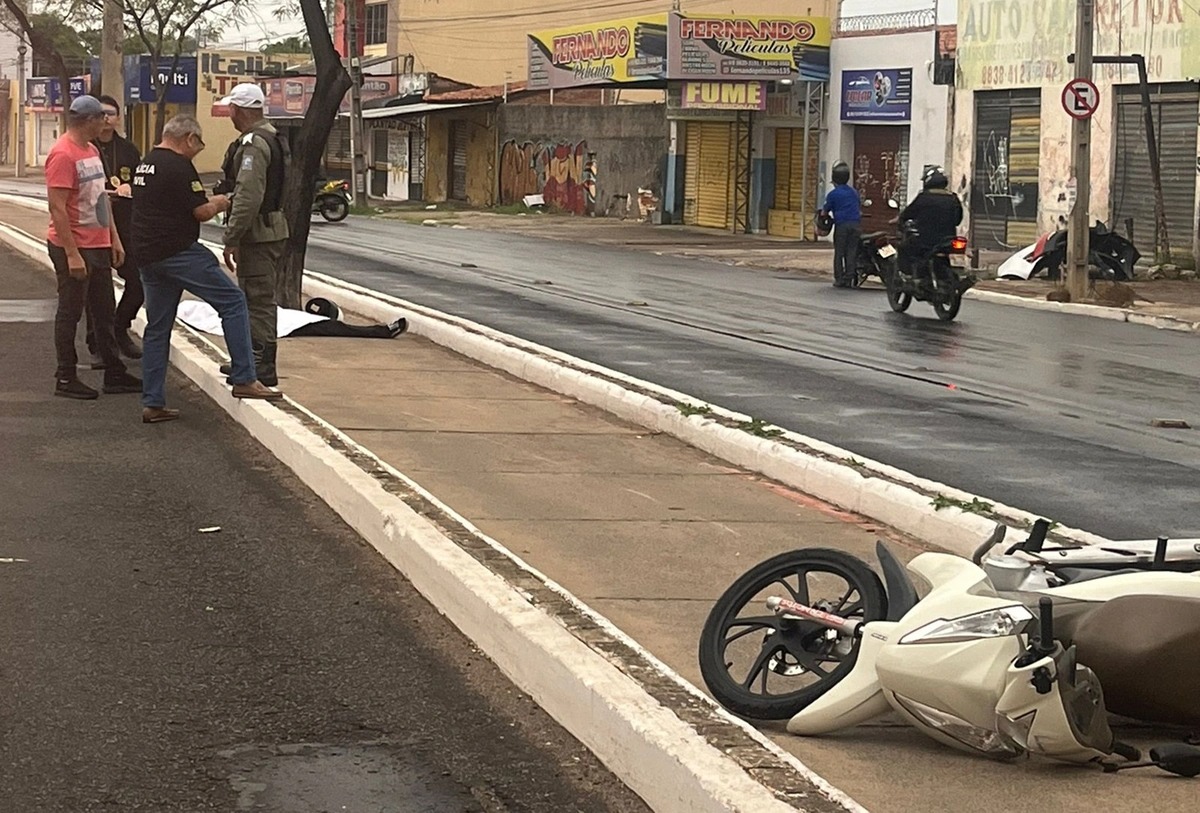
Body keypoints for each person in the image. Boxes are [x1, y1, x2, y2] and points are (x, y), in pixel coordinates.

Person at [130, 114, 284, 424]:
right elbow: (200, 212)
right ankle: (244, 377)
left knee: (158, 327)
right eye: (198, 146)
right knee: (233, 301)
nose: (197, 152)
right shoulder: (179, 165)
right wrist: (223, 202)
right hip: (178, 252)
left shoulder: (146, 164)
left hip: (147, 255)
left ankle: (153, 401)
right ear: (188, 138)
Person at [46, 94, 141, 400]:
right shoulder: (63, 154)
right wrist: (72, 254)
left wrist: (113, 237)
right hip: (73, 246)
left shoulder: (91, 150)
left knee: (104, 311)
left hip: (98, 243)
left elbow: (102, 199)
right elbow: (57, 208)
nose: (106, 121)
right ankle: (66, 376)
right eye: (101, 117)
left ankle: (114, 372)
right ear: (87, 121)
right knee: (71, 312)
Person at [216, 82, 290, 387]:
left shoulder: (253, 144)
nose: (230, 115)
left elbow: (248, 195)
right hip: (269, 230)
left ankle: (260, 364)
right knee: (254, 298)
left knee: (257, 300)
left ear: (239, 110)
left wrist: (232, 236)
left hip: (258, 234)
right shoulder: (271, 136)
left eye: (231, 109)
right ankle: (249, 360)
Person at [85, 94, 144, 365]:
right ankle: (97, 341)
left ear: (118, 116)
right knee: (96, 288)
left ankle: (120, 329)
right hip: (94, 224)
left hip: (126, 223)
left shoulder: (129, 150)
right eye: (102, 113)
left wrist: (132, 187)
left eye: (112, 113)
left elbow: (143, 182)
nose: (107, 118)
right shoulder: (86, 148)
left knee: (138, 281)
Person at [896, 168, 963, 280]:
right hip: (947, 240)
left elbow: (907, 214)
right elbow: (958, 220)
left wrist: (901, 224)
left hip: (925, 240)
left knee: (903, 248)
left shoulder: (923, 198)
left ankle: (907, 275)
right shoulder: (953, 198)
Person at [820, 161, 862, 288]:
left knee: (839, 253)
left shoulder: (833, 194)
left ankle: (840, 279)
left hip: (842, 226)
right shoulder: (854, 192)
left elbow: (824, 212)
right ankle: (850, 277)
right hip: (856, 225)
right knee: (851, 252)